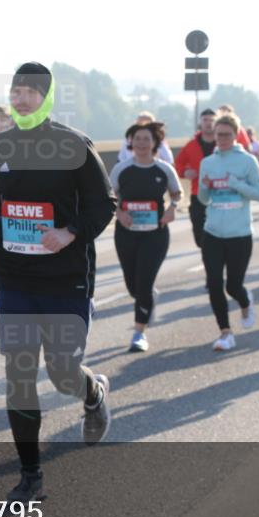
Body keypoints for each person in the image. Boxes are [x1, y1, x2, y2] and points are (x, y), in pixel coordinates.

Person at [0, 62, 116, 502]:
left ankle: (92, 390)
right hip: (15, 277)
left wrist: (69, 232)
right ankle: (30, 476)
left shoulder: (73, 146)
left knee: (62, 373)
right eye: (15, 91)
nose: (20, 99)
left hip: (66, 277)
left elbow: (104, 205)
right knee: (19, 374)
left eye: (29, 92)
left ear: (47, 97)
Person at [110, 121, 182, 352]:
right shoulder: (122, 169)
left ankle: (139, 334)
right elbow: (109, 198)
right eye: (137, 139)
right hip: (126, 234)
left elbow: (177, 194)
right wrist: (119, 213)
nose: (141, 143)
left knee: (143, 283)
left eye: (146, 139)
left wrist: (172, 209)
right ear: (131, 142)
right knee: (133, 285)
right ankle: (149, 297)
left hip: (155, 234)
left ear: (155, 144)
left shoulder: (164, 169)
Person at [197, 113, 259, 351]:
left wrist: (236, 184)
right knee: (214, 283)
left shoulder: (247, 161)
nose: (222, 139)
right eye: (219, 135)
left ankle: (245, 301)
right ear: (214, 136)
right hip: (213, 232)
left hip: (240, 234)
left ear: (236, 135)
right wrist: (204, 187)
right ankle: (225, 332)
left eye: (227, 134)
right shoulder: (208, 162)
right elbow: (204, 199)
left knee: (233, 286)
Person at [175, 108, 217, 250]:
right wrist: (185, 172)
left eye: (212, 120)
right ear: (200, 122)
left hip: (220, 193)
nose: (209, 123)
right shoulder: (191, 144)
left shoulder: (223, 143)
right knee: (200, 235)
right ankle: (207, 250)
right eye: (205, 120)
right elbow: (178, 164)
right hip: (197, 194)